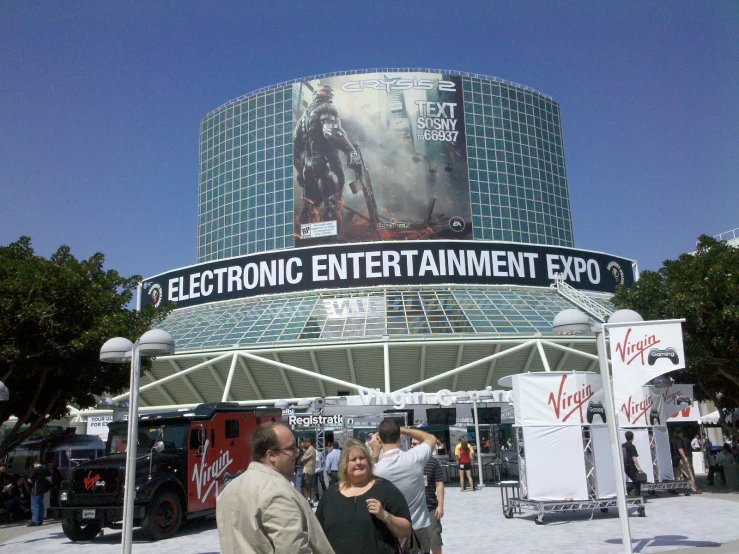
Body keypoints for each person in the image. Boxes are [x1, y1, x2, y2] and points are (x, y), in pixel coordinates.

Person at [216, 422, 335, 554]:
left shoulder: (229, 489)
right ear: (271, 455)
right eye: (291, 448)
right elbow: (292, 549)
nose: (297, 452)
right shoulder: (277, 492)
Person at [316, 439, 411, 554]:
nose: (358, 463)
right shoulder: (330, 495)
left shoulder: (385, 489)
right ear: (344, 465)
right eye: (353, 459)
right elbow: (317, 533)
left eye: (362, 458)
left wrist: (384, 515)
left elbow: (406, 531)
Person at [293, 84, 362, 234]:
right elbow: (331, 132)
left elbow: (295, 148)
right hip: (326, 163)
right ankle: (329, 238)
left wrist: (300, 171)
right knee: (332, 201)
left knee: (309, 204)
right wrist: (350, 151)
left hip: (308, 165)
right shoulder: (327, 108)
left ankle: (309, 237)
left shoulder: (303, 118)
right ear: (329, 96)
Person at [370, 419, 437, 553]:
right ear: (400, 437)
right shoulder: (415, 458)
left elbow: (368, 479)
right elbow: (431, 438)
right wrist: (404, 429)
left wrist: (375, 453)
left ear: (379, 439)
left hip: (392, 529)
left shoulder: (377, 469)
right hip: (419, 528)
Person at [412, 438, 445, 554]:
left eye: (416, 444)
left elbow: (439, 484)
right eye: (412, 444)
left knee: (434, 539)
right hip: (414, 509)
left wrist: (440, 506)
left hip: (430, 507)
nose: (413, 446)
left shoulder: (433, 462)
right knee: (417, 543)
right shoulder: (409, 462)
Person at [671, 429, 701, 494]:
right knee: (689, 473)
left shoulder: (672, 440)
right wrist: (684, 457)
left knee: (677, 475)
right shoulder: (678, 440)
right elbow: (680, 448)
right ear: (680, 433)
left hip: (675, 460)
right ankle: (694, 488)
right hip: (680, 459)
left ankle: (675, 488)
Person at [27, 458, 51, 526]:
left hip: (36, 488)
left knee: (35, 505)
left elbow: (30, 480)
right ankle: (40, 520)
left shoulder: (35, 469)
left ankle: (35, 520)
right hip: (43, 488)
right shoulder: (45, 469)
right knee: (41, 505)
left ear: (34, 464)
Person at [622, 431, 644, 497]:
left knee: (635, 480)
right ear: (632, 437)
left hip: (625, 466)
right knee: (637, 480)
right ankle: (636, 496)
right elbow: (634, 458)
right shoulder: (632, 446)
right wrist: (639, 467)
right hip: (631, 465)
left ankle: (627, 490)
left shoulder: (622, 445)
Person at [302, 438, 317, 505]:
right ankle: (311, 501)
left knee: (305, 487)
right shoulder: (313, 449)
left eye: (305, 442)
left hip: (308, 471)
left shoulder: (309, 450)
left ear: (309, 442)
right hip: (312, 471)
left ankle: (306, 501)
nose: (304, 444)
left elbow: (302, 459)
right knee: (311, 487)